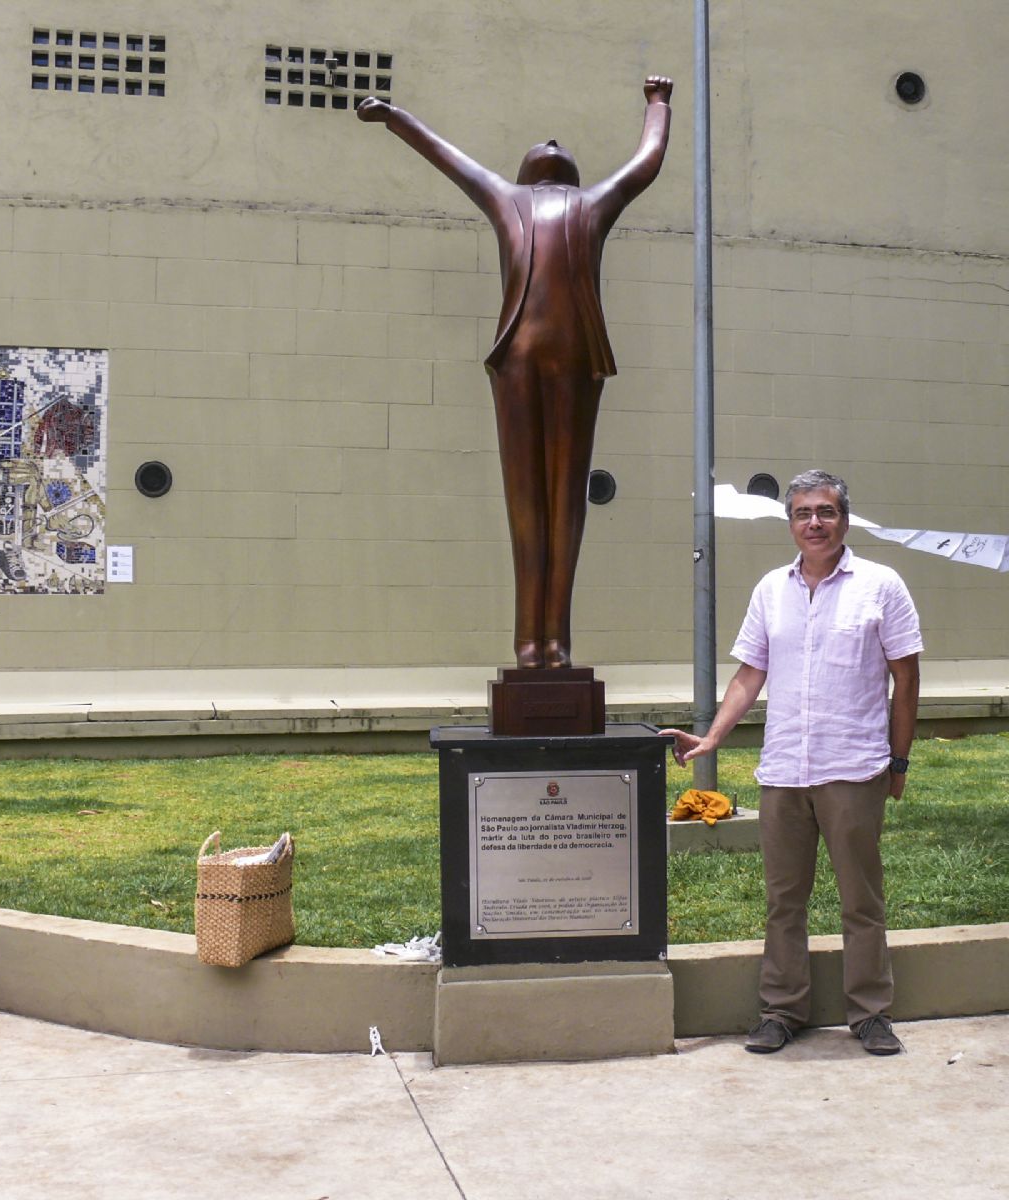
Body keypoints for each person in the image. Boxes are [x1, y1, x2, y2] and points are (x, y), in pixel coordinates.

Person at [359, 77, 673, 669]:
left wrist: (659, 105)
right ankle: (528, 641)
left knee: (565, 498)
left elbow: (645, 163)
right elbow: (446, 156)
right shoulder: (504, 196)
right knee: (526, 501)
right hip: (518, 359)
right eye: (540, 145)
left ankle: (558, 641)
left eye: (559, 145)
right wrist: (395, 117)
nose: (551, 141)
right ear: (527, 171)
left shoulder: (595, 201)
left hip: (578, 358)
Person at [664, 470, 922, 1056]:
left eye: (826, 512)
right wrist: (711, 738)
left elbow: (905, 679)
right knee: (784, 901)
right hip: (783, 772)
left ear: (845, 521)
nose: (814, 523)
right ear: (790, 524)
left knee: (861, 900)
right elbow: (749, 672)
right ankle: (782, 1011)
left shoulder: (881, 586)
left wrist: (899, 763)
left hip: (854, 769)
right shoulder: (769, 590)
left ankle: (871, 1014)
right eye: (803, 513)